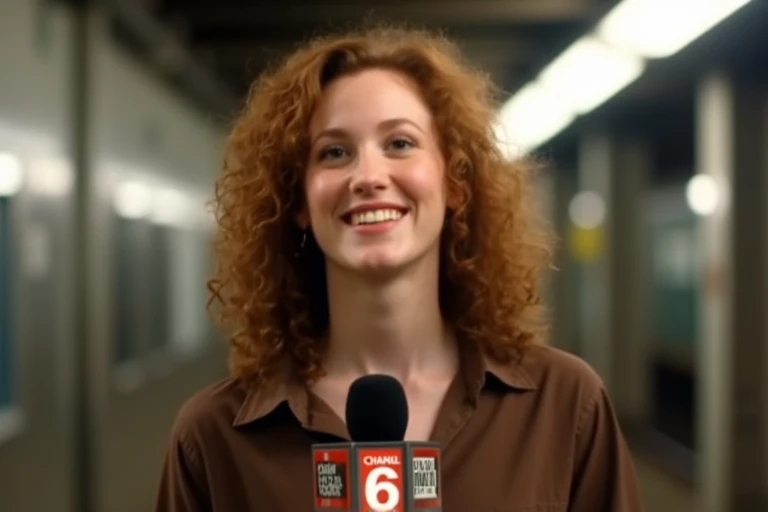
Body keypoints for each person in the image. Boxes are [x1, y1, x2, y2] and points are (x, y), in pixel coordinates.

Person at [155, 25, 643, 511]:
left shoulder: (563, 406)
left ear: (454, 182)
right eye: (334, 152)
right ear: (298, 200)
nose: (368, 176)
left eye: (400, 144)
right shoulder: (213, 437)